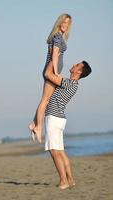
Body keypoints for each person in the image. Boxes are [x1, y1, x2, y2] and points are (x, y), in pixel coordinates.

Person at [44, 61, 92, 189]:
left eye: (77, 65)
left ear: (79, 72)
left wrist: (51, 59)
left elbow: (47, 74)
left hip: (54, 118)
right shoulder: (73, 84)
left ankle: (64, 181)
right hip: (58, 118)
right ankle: (70, 180)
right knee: (60, 151)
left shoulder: (69, 83)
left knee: (54, 152)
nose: (74, 64)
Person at [28, 13, 72, 143]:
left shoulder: (58, 36)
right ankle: (39, 128)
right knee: (45, 100)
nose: (65, 25)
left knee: (45, 100)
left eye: (68, 23)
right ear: (59, 22)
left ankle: (33, 124)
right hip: (52, 71)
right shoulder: (57, 36)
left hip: (51, 71)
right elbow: (55, 56)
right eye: (63, 22)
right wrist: (56, 73)